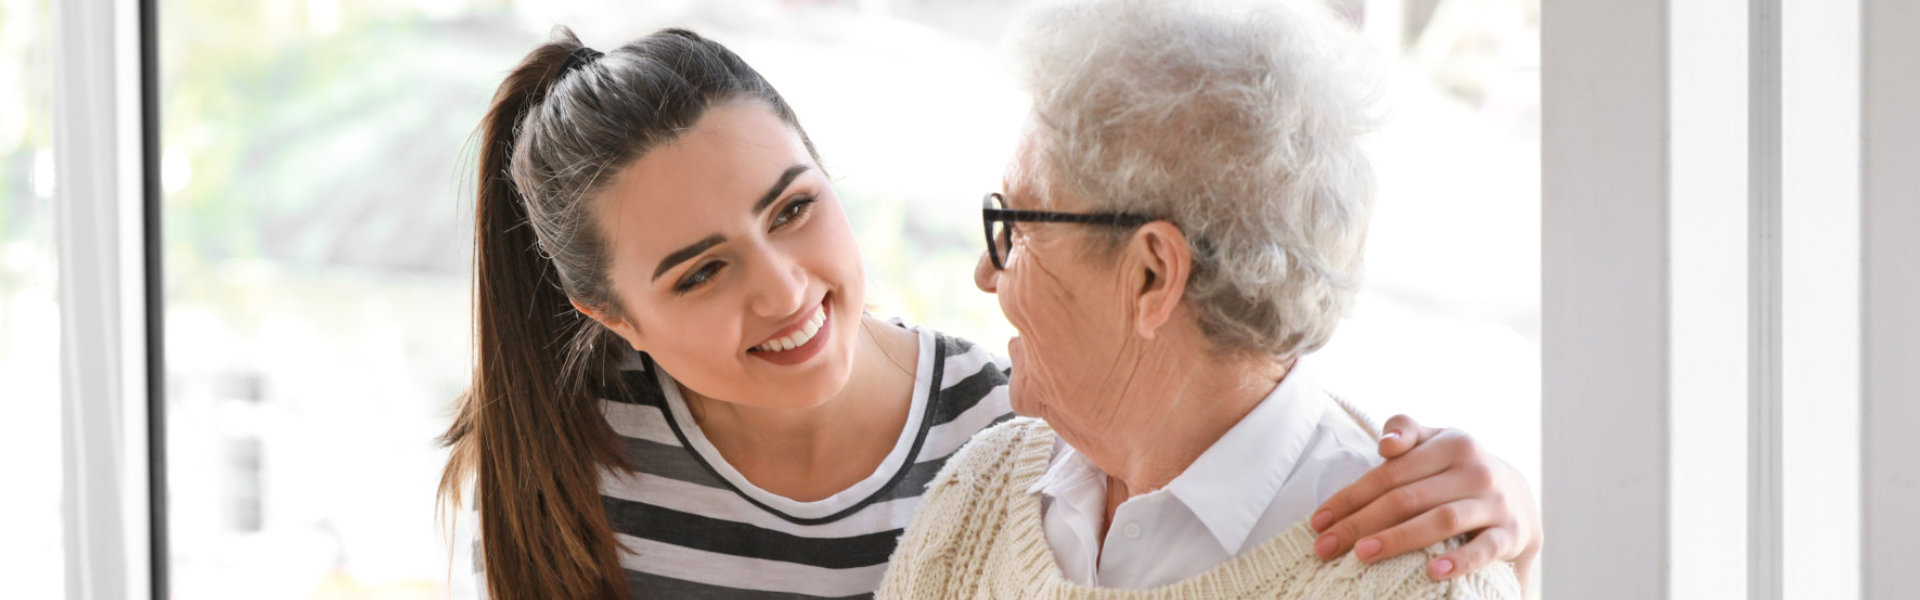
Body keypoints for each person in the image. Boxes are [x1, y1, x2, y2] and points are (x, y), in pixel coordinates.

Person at [437, 23, 1537, 600]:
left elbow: (1235, 389)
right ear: (610, 316)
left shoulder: (997, 427)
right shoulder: (564, 460)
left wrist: (1491, 500)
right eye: (696, 272)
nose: (782, 290)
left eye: (796, 207)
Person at [878, 0, 1528, 598]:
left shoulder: (1423, 583)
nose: (985, 275)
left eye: (1017, 229)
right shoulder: (980, 494)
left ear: (1152, 277)